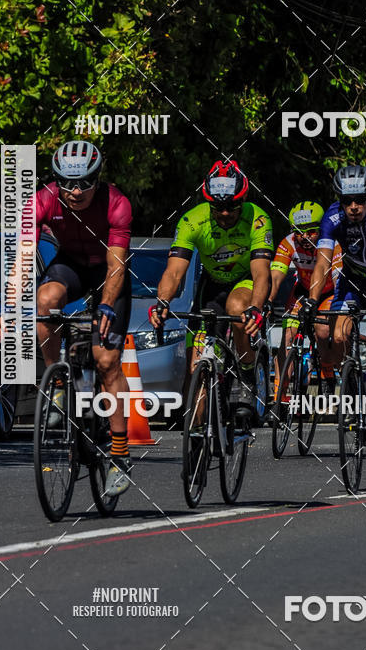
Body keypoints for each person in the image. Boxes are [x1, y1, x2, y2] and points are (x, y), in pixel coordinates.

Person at [35, 141, 133, 496]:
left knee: (107, 361)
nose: (75, 192)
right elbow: (21, 256)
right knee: (44, 301)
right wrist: (10, 304)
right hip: (71, 264)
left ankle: (120, 455)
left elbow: (117, 265)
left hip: (109, 271)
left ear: (97, 179)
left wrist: (106, 305)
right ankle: (58, 387)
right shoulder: (43, 199)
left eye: (84, 184)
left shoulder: (117, 203)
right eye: (66, 184)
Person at [149, 160, 273, 417]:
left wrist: (256, 307)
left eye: (232, 207)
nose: (225, 213)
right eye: (218, 207)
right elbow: (173, 272)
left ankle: (247, 368)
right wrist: (162, 302)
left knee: (238, 309)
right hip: (212, 286)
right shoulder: (192, 220)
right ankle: (199, 437)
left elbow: (262, 273)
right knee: (197, 364)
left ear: (243, 199)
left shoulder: (258, 219)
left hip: (245, 280)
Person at [303, 164, 366, 461]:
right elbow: (322, 263)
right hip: (353, 285)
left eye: (359, 199)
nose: (354, 207)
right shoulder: (332, 217)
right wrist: (311, 299)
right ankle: (356, 389)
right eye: (347, 201)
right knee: (338, 335)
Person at [269, 201, 341, 396]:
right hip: (302, 290)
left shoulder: (332, 243)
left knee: (323, 332)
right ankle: (280, 395)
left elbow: (337, 278)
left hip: (328, 292)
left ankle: (326, 370)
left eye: (310, 232)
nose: (304, 237)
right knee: (287, 338)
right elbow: (277, 274)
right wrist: (269, 299)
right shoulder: (289, 242)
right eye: (299, 232)